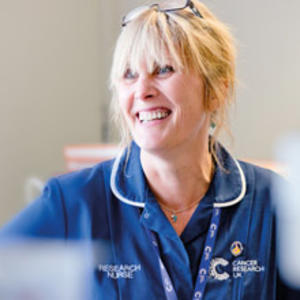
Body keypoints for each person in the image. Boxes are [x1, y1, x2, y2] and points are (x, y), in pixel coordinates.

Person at [1, 1, 299, 299]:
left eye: (163, 69)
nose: (142, 90)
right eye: (129, 74)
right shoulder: (71, 204)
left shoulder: (273, 203)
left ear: (216, 89)